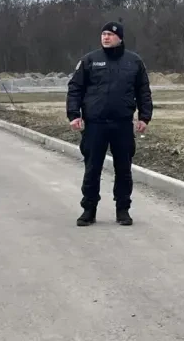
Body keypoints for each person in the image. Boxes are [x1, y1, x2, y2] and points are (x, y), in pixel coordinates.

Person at [66, 20, 153, 227]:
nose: (106, 37)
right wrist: (74, 115)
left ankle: (123, 209)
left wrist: (144, 117)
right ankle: (89, 209)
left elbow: (143, 91)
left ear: (120, 37)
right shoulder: (90, 61)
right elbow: (75, 89)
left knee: (123, 169)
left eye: (110, 34)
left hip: (122, 124)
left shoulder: (134, 62)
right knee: (92, 168)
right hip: (95, 124)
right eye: (103, 34)